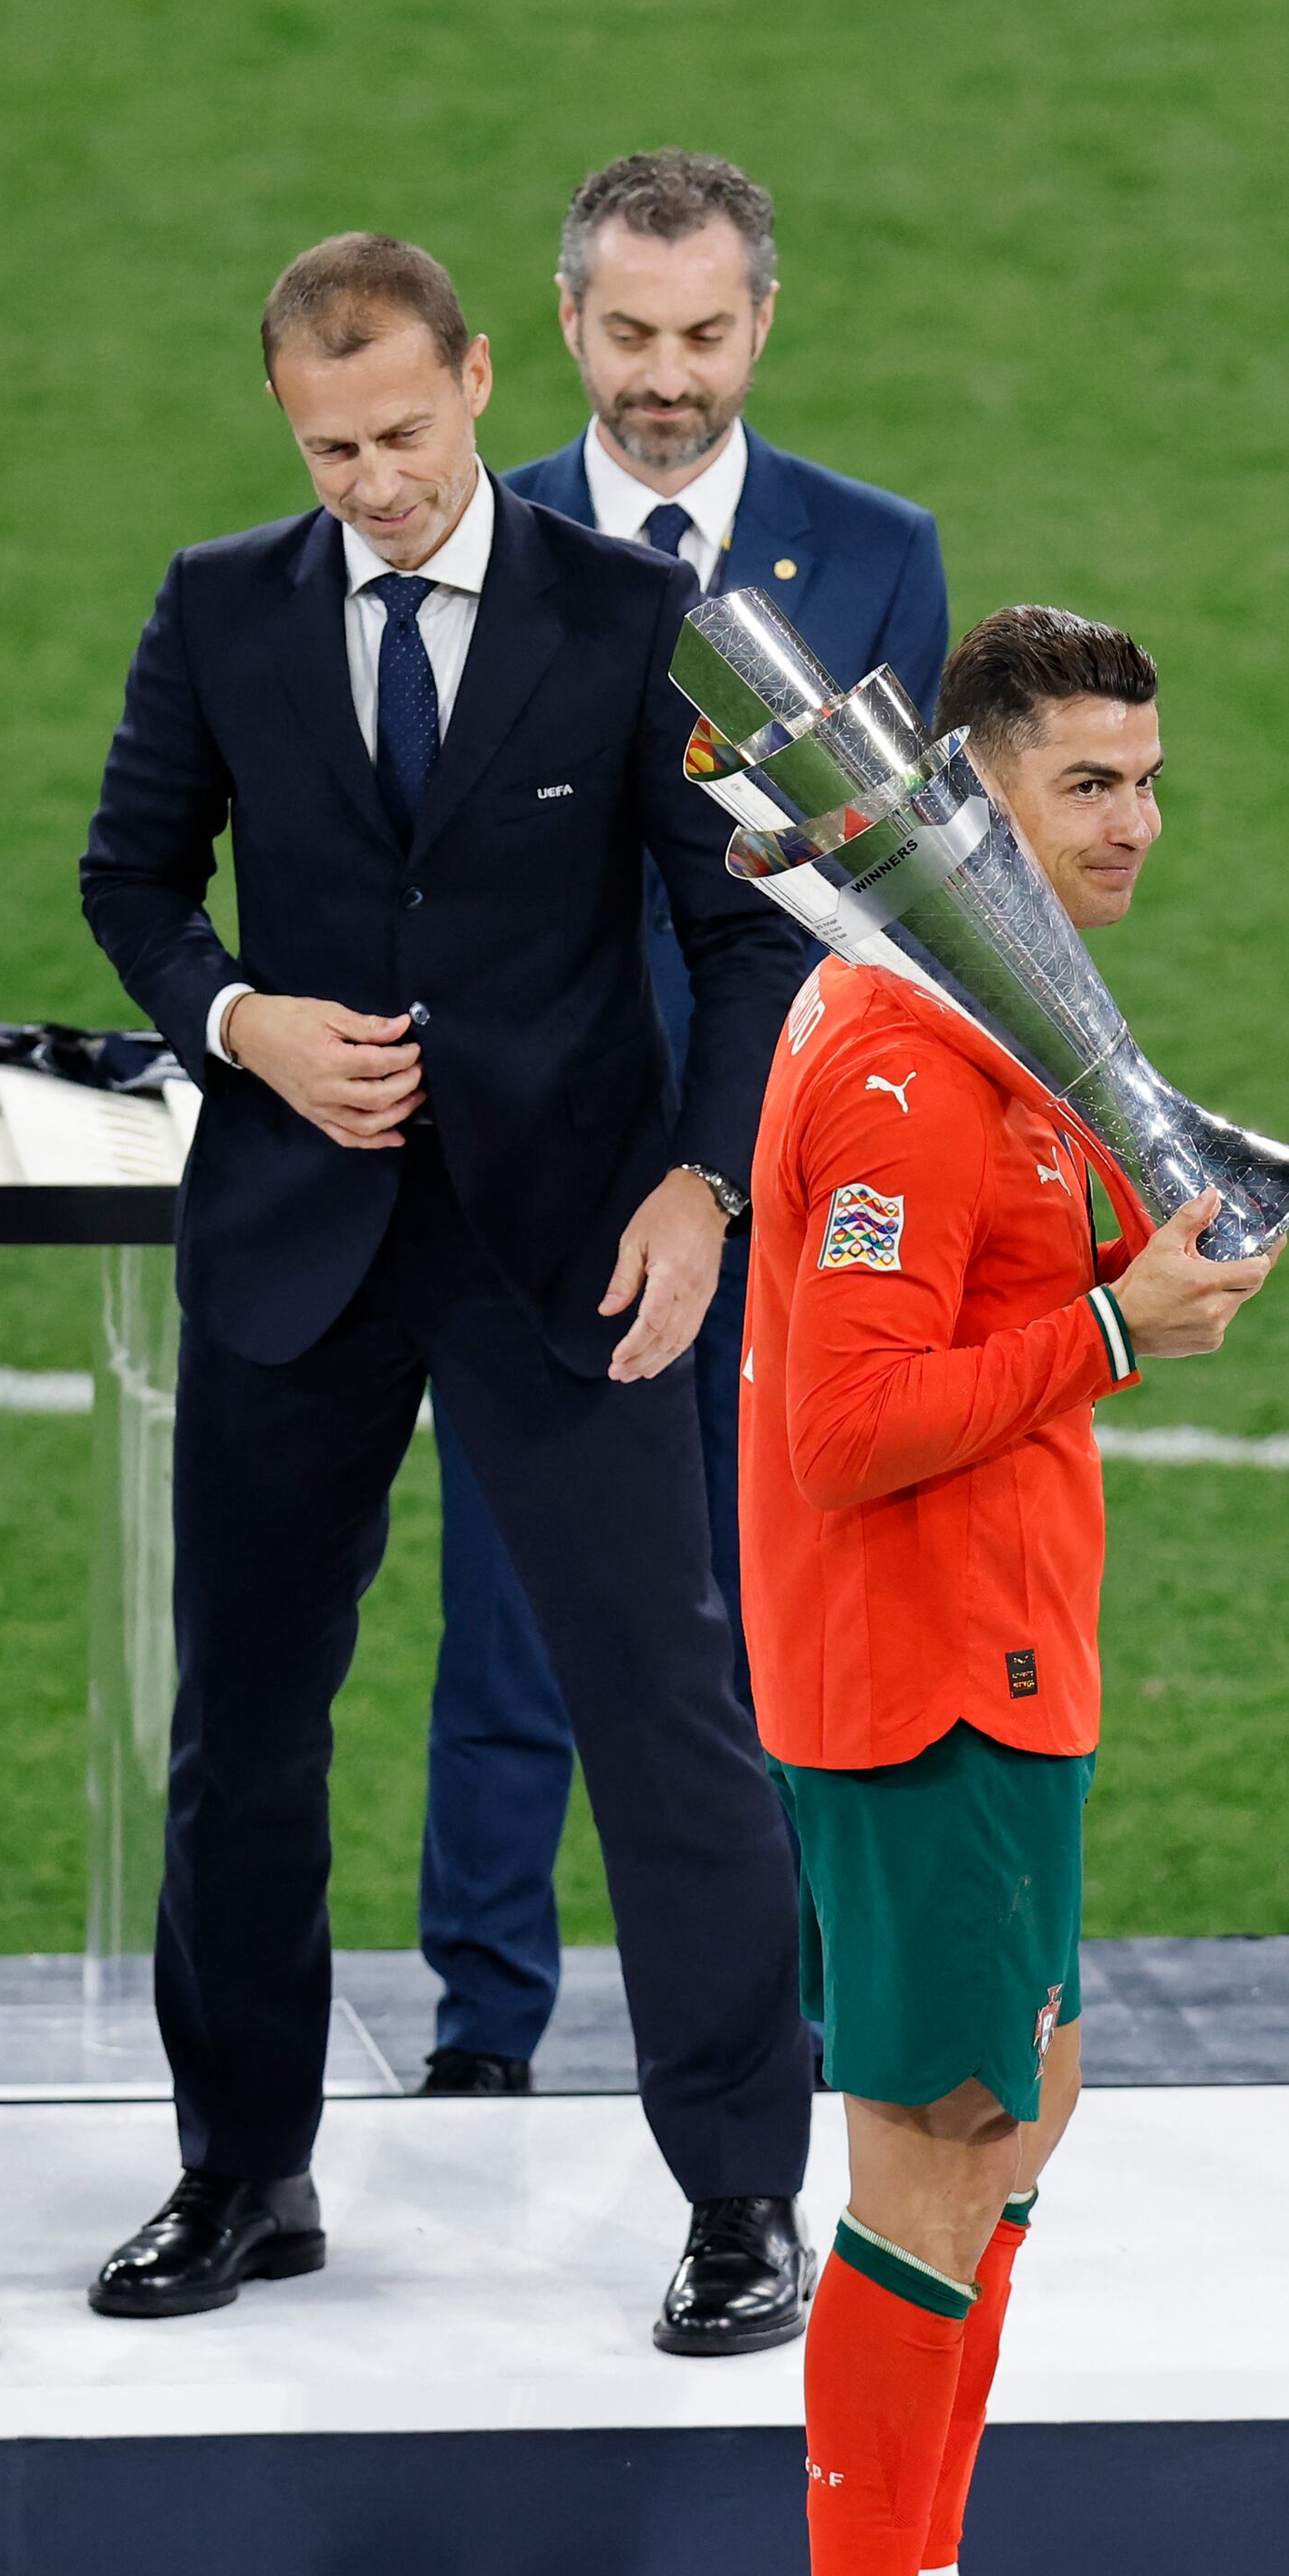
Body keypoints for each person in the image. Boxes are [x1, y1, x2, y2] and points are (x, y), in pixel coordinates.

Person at [75, 234, 818, 2354]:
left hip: (566, 1249)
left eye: (404, 433)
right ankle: (240, 2167)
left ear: (484, 379)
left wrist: (698, 1184)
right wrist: (239, 1022)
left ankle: (742, 2196)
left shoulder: (629, 613)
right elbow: (131, 877)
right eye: (330, 449)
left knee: (666, 1714)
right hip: (296, 1241)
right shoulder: (224, 605)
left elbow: (753, 939)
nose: (375, 482)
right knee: (244, 1731)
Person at [746, 608, 1279, 2576]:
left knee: (1016, 2121)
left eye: (1148, 778)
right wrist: (1115, 1327)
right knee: (926, 2162)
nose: (1134, 821)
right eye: (1086, 784)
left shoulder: (998, 1016)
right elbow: (854, 1422)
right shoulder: (889, 1058)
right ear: (970, 799)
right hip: (916, 1680)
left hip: (1008, 1659)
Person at [406, 151, 954, 2098]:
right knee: (507, 1631)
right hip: (533, 1168)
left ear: (761, 326)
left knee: (776, 1615)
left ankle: (782, 2031)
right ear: (561, 327)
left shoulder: (877, 550)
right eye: (628, 334)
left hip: (788, 1169)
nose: (665, 375)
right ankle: (480, 2038)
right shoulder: (470, 531)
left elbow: (900, 886)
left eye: (702, 334)